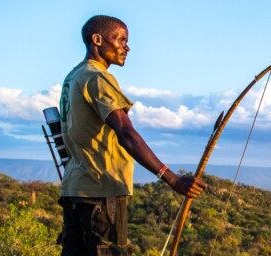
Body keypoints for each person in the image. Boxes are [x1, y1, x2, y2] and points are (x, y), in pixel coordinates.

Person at [57, 15, 207, 255]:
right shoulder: (98, 78)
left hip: (76, 190)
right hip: (101, 191)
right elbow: (126, 133)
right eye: (121, 40)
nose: (126, 47)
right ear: (97, 40)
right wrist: (172, 179)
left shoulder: (74, 76)